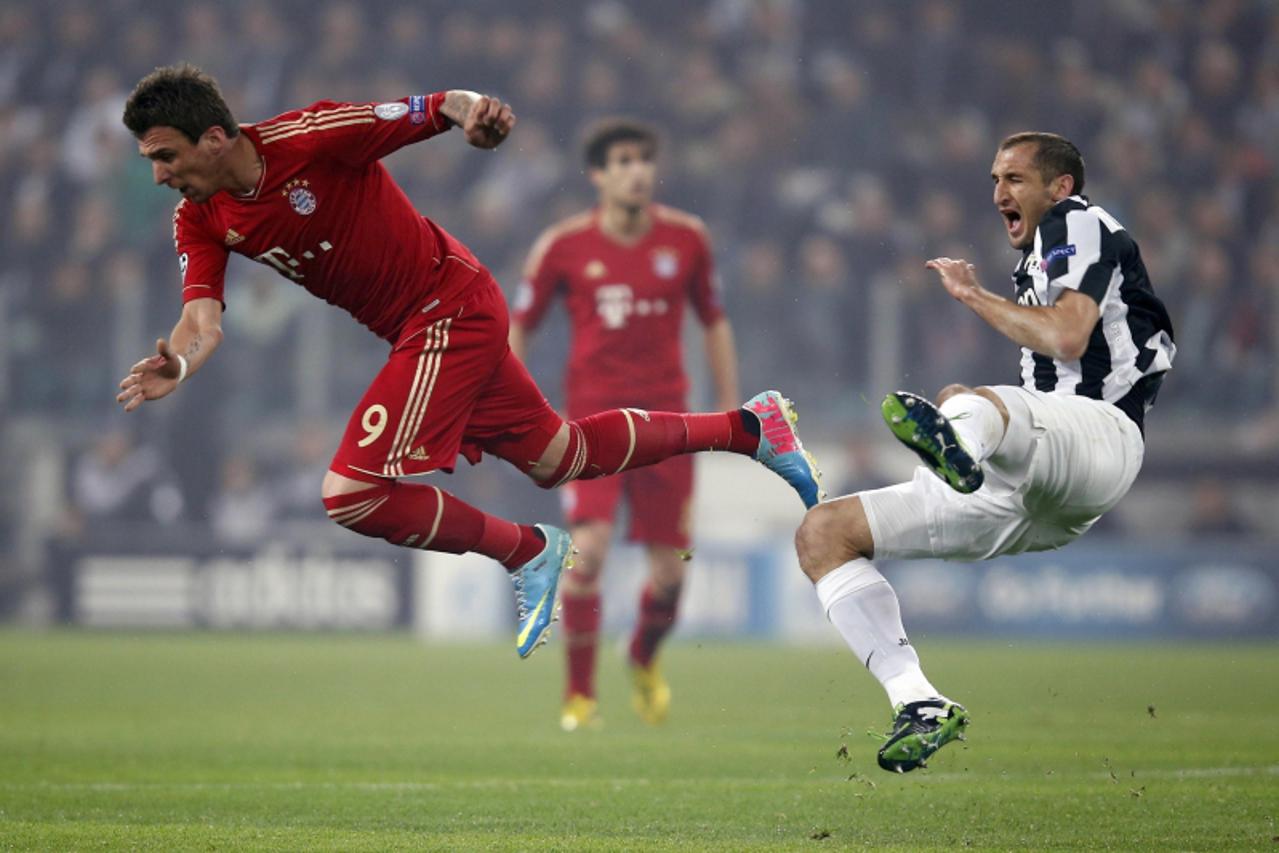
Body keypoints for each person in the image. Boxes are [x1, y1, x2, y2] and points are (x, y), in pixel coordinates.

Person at [113, 65, 824, 660]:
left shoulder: (312, 136)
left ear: (213, 137)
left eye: (165, 156)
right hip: (425, 323)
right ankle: (749, 427)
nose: (157, 176)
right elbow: (200, 321)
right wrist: (178, 363)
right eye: (150, 160)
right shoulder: (198, 216)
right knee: (559, 455)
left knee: (349, 492)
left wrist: (473, 117)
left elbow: (433, 107)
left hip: (445, 306)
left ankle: (527, 552)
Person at [793, 132, 1174, 772]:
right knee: (823, 534)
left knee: (967, 399)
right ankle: (918, 702)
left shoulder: (1075, 223)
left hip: (1100, 434)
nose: (1000, 193)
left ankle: (958, 448)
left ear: (1061, 187)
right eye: (995, 179)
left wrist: (972, 298)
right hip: (1042, 491)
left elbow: (1070, 335)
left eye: (1016, 179)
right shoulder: (1040, 259)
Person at [510, 119, 740, 731]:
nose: (637, 169)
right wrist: (507, 405)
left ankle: (641, 656)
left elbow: (714, 321)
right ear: (599, 175)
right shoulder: (562, 246)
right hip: (591, 427)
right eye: (623, 160)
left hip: (668, 426)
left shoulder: (688, 239)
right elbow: (519, 326)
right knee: (588, 555)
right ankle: (580, 698)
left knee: (669, 573)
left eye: (644, 158)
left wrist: (732, 407)